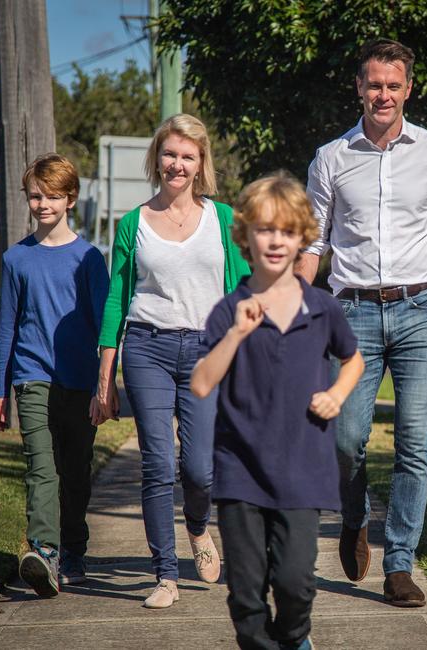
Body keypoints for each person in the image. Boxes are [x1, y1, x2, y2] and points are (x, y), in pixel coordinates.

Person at [298, 37, 427, 606]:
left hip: (419, 311)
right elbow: (314, 239)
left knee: (414, 441)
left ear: (408, 88)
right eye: (374, 84)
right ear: (358, 87)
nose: (383, 94)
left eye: (394, 85)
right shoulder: (331, 157)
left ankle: (400, 565)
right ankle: (355, 517)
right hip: (352, 311)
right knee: (346, 437)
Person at [191, 171, 364, 650]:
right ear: (246, 235)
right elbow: (202, 383)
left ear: (303, 238)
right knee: (246, 598)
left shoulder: (322, 307)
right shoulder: (231, 308)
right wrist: (236, 335)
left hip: (303, 470)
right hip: (241, 471)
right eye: (265, 229)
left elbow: (354, 360)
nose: (276, 240)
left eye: (287, 231)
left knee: (294, 585)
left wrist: (337, 395)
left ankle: (293, 641)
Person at [93, 113, 251, 609]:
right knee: (158, 463)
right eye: (169, 154)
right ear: (156, 158)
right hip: (147, 348)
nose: (176, 164)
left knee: (200, 470)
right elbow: (117, 299)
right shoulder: (133, 223)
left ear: (201, 163)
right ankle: (165, 576)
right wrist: (106, 377)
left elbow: (245, 287)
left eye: (187, 156)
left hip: (206, 348)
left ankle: (199, 527)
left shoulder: (223, 220)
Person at [0, 153, 109, 596]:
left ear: (70, 199)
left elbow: (104, 326)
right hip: (31, 374)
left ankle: (74, 550)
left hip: (79, 379)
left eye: (52, 196)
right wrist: (0, 390)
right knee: (41, 468)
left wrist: (106, 383)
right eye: (36, 196)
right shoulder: (16, 259)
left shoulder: (88, 259)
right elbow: (8, 326)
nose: (42, 204)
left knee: (75, 470)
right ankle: (44, 551)